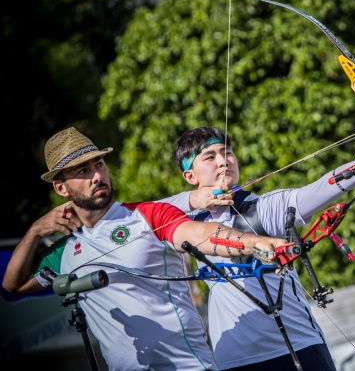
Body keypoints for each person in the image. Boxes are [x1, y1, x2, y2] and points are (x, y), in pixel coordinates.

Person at [2, 127, 288, 371]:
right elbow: (13, 285)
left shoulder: (147, 214)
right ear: (61, 188)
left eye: (99, 164)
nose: (97, 175)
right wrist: (35, 231)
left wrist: (256, 243)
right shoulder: (64, 250)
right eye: (83, 171)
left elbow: (200, 235)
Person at [160, 125, 355, 370]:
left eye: (227, 152)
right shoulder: (184, 223)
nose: (223, 161)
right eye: (210, 157)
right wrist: (192, 200)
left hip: (297, 348)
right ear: (190, 176)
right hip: (234, 359)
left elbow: (322, 188)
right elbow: (138, 217)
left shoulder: (264, 208)